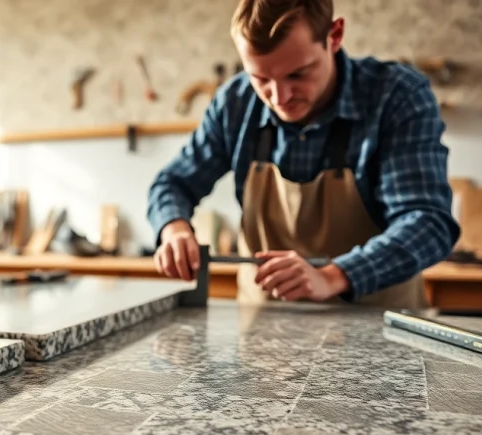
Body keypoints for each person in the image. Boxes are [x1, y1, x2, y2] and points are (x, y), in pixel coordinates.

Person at [147, 0, 460, 308]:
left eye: (298, 74)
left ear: (334, 36)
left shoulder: (396, 95)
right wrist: (174, 229)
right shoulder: (235, 103)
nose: (279, 97)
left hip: (378, 324)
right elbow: (172, 183)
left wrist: (333, 275)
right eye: (261, 79)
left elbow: (428, 223)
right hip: (264, 332)